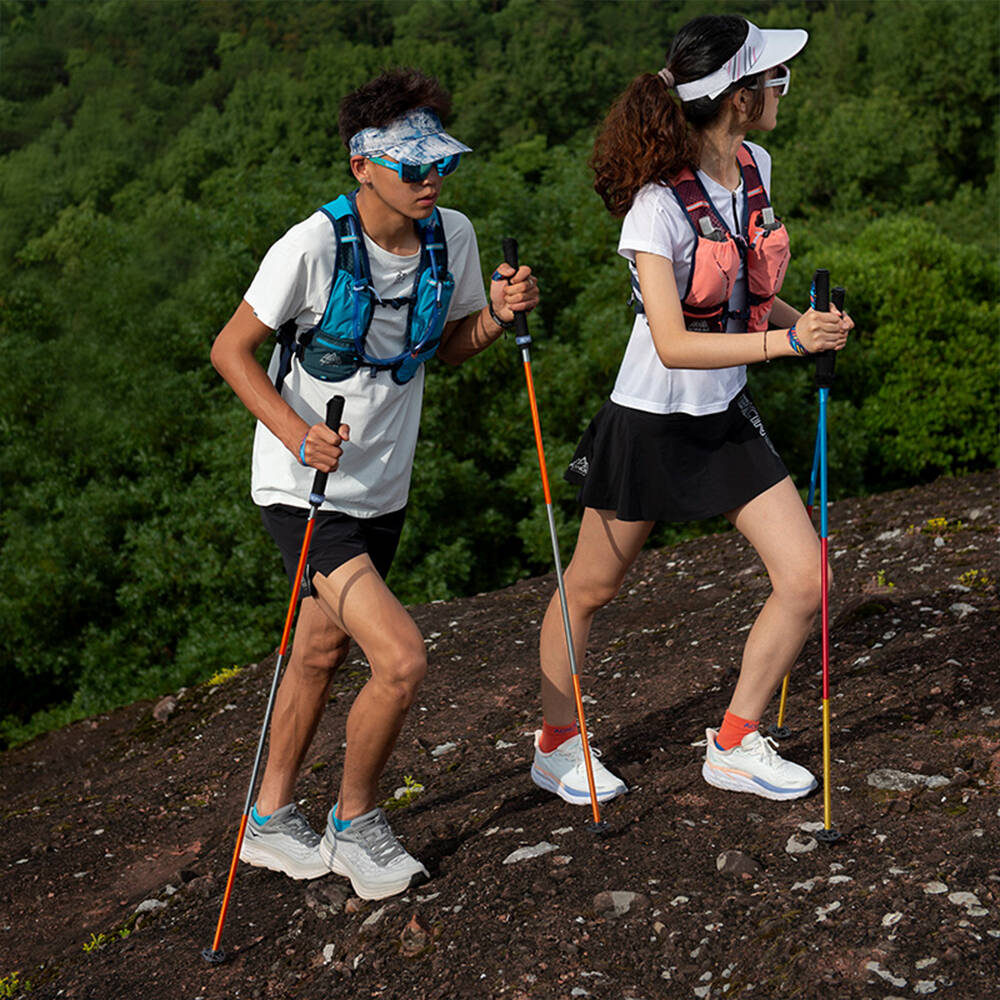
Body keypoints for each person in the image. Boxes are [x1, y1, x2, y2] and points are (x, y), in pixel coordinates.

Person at [211, 68, 538, 899]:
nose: (432, 181)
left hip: (383, 486)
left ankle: (268, 819)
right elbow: (230, 350)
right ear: (362, 165)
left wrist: (497, 317)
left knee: (320, 650)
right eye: (413, 166)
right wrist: (297, 434)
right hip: (303, 489)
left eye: (442, 164)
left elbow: (446, 348)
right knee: (401, 659)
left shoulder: (452, 236)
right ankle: (354, 825)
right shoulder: (312, 247)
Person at [530, 15, 852, 807]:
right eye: (774, 79)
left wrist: (805, 325)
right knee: (591, 588)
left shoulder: (755, 166)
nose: (782, 90)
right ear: (740, 98)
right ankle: (556, 744)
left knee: (806, 578)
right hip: (648, 418)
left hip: (724, 411)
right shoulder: (655, 207)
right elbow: (672, 343)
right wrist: (789, 345)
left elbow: (747, 293)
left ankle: (735, 743)